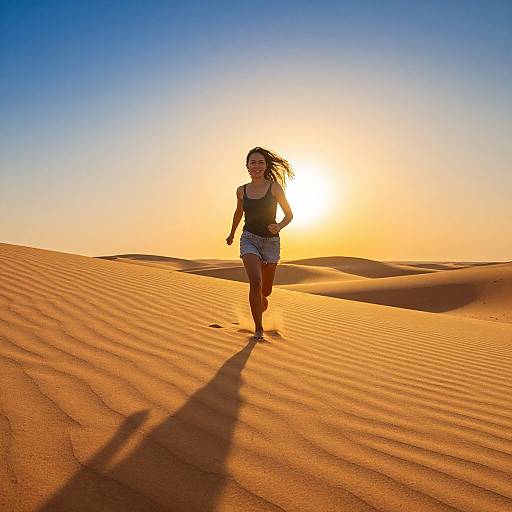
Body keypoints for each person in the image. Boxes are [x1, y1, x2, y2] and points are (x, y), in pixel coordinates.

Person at [226, 147, 294, 340]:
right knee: (255, 283)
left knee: (266, 290)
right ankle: (258, 329)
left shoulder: (274, 188)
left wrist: (279, 226)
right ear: (247, 166)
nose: (256, 166)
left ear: (265, 166)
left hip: (271, 242)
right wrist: (231, 233)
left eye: (260, 162)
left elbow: (289, 214)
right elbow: (239, 212)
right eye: (252, 162)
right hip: (249, 239)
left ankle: (262, 299)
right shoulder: (241, 191)